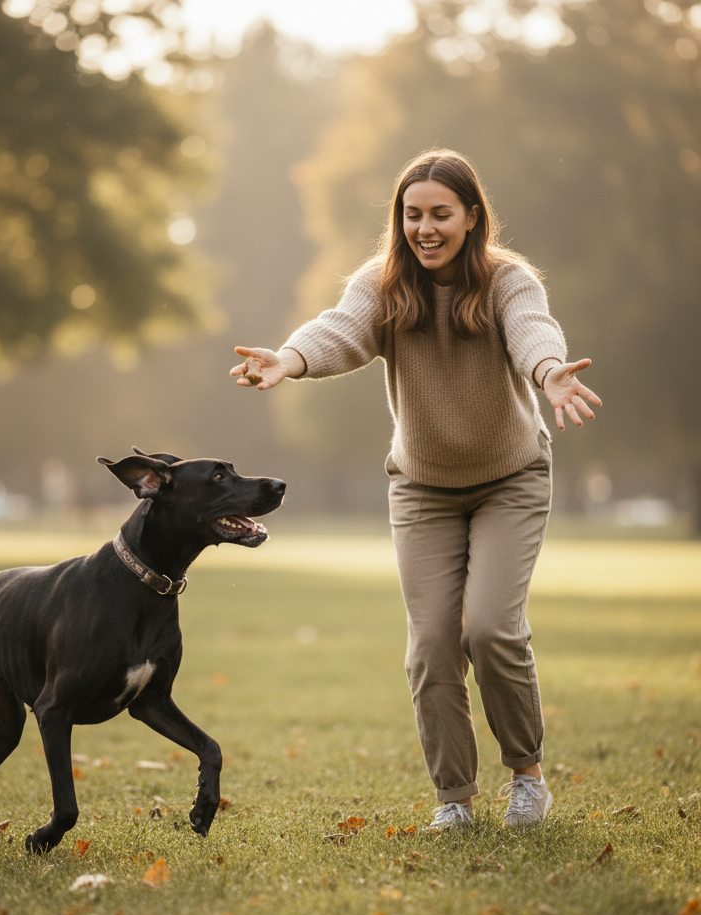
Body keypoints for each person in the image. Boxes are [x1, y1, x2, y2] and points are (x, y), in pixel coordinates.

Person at [230, 149, 601, 830]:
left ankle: (527, 777)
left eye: (439, 215)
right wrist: (288, 357)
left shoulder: (507, 282)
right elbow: (341, 329)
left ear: (471, 217)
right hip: (423, 489)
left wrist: (550, 373)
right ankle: (454, 800)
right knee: (431, 644)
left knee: (489, 629)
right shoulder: (384, 283)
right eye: (412, 215)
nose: (424, 229)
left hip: (510, 481)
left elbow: (530, 332)